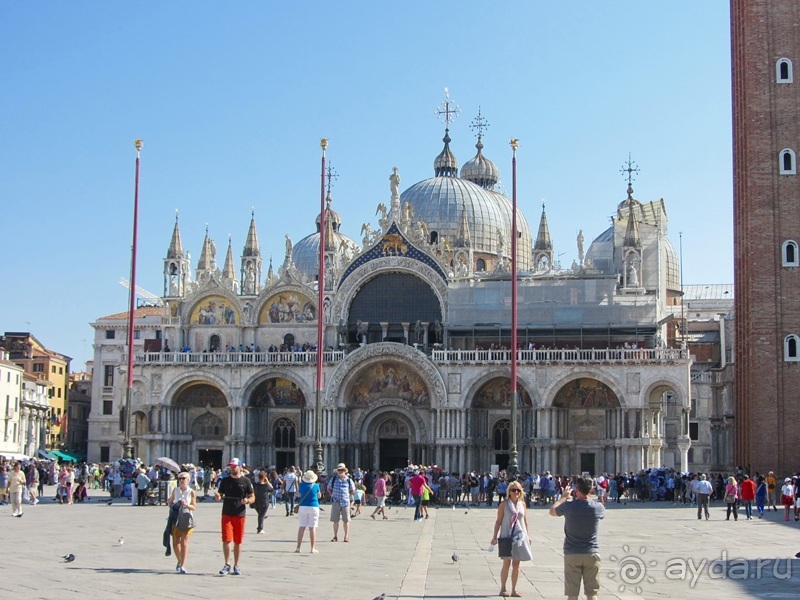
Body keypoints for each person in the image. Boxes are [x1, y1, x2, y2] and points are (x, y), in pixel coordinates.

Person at [550, 476, 605, 600]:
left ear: (576, 489)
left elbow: (552, 511)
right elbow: (598, 510)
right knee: (592, 594)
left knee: (572, 594)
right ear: (591, 490)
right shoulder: (598, 508)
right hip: (591, 553)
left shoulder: (569, 506)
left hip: (572, 553)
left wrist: (563, 498)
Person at [490, 480, 532, 597]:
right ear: (509, 492)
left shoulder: (522, 504)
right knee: (506, 563)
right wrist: (494, 536)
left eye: (518, 490)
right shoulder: (504, 505)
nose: (516, 492)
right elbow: (498, 521)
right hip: (507, 536)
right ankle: (503, 588)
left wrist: (528, 536)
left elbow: (525, 521)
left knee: (517, 564)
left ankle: (514, 589)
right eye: (513, 490)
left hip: (519, 537)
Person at [214, 458, 255, 575]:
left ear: (240, 467)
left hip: (240, 513)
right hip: (226, 512)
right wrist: (218, 496)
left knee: (238, 541)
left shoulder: (246, 481)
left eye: (234, 466)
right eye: (231, 466)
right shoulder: (225, 481)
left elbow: (253, 497)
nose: (232, 468)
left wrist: (247, 500)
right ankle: (227, 564)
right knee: (226, 539)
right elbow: (220, 493)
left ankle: (236, 565)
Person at [169, 471, 197, 573]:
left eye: (183, 478)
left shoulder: (191, 492)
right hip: (176, 518)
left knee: (184, 542)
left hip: (186, 518)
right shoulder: (175, 490)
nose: (181, 480)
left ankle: (183, 565)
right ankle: (180, 560)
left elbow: (194, 507)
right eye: (179, 478)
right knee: (176, 543)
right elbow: (169, 502)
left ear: (188, 480)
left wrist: (186, 504)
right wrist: (175, 504)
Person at [327, 463, 355, 542]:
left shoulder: (349, 480)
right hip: (336, 501)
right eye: (339, 470)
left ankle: (346, 536)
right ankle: (335, 536)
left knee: (346, 520)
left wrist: (348, 496)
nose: (340, 471)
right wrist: (332, 495)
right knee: (335, 520)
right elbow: (328, 488)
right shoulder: (333, 479)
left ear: (345, 471)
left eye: (342, 470)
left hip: (345, 502)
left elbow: (353, 490)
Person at [295, 470, 321, 553]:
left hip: (303, 506)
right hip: (314, 506)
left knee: (301, 527)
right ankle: (312, 548)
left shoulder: (301, 485)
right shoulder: (316, 485)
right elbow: (319, 496)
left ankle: (298, 547)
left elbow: (298, 494)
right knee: (312, 528)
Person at [252, 470, 273, 534]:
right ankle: (260, 529)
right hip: (264, 502)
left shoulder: (255, 485)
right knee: (261, 515)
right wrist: (267, 481)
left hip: (256, 502)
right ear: (264, 477)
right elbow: (272, 489)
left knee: (261, 514)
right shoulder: (266, 485)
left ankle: (260, 526)